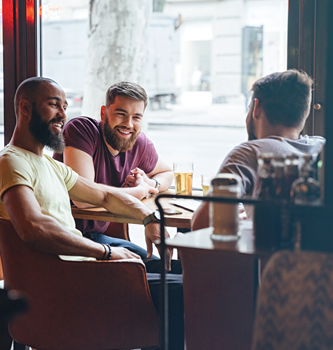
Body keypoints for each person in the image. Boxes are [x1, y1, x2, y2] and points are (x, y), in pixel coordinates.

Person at [0, 77, 184, 349]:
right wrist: (105, 252)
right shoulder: (11, 161)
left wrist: (150, 219)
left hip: (80, 271)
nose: (63, 115)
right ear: (25, 108)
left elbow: (106, 196)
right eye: (54, 105)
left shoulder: (51, 167)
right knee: (182, 292)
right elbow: (33, 227)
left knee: (180, 275)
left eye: (64, 106)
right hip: (66, 282)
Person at [192, 69, 326, 230]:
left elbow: (201, 224)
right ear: (304, 113)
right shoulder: (322, 146)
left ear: (256, 108)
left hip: (272, 255)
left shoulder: (250, 153)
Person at [53, 82, 173, 259]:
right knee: (159, 275)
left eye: (136, 117)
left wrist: (150, 183)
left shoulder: (139, 143)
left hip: (99, 239)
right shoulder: (82, 130)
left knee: (172, 270)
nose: (128, 124)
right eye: (121, 114)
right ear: (104, 113)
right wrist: (138, 191)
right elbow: (82, 199)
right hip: (69, 241)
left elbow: (168, 173)